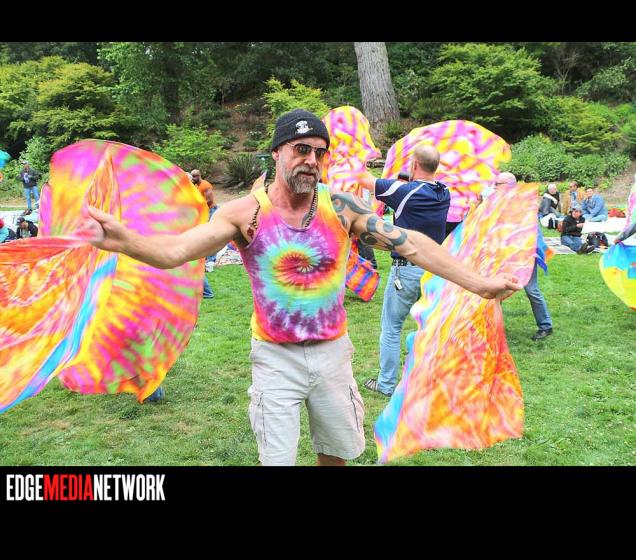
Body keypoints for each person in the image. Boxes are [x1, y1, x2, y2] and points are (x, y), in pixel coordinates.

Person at [81, 109, 521, 466]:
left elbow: (414, 245)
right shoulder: (244, 214)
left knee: (336, 454)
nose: (311, 159)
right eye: (301, 149)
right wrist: (125, 241)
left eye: (319, 153)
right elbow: (176, 250)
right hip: (276, 359)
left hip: (333, 355)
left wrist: (480, 284)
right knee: (277, 460)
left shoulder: (342, 208)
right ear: (277, 153)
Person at [355, 144, 450, 397]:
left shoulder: (404, 191)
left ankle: (386, 383)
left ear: (414, 165)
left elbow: (362, 179)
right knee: (429, 328)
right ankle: (429, 383)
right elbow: (415, 192)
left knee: (392, 327)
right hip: (435, 272)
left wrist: (359, 155)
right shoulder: (444, 193)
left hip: (406, 271)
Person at [481, 173, 554, 340]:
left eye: (497, 184)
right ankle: (493, 326)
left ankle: (546, 325)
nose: (494, 186)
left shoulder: (523, 204)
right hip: (504, 254)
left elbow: (529, 231)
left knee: (531, 290)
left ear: (507, 185)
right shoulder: (497, 202)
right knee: (496, 289)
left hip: (525, 255)